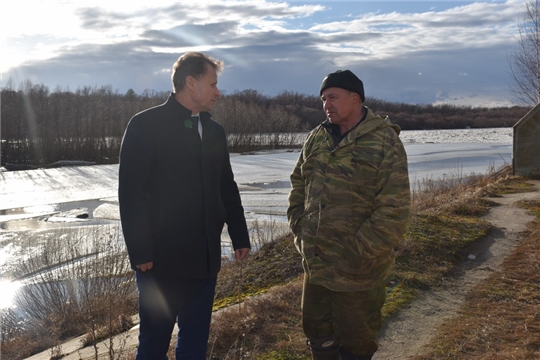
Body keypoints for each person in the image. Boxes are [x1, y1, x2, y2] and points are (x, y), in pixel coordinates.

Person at [118, 52, 251, 360]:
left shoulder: (215, 131)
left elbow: (226, 187)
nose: (218, 92)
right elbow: (132, 192)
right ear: (191, 83)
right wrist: (141, 252)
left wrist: (240, 235)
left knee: (194, 345)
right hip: (160, 263)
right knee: (153, 345)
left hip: (205, 259)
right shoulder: (145, 125)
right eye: (212, 84)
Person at [287, 70, 410, 360]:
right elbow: (298, 185)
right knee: (317, 331)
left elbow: (394, 209)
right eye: (323, 99)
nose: (326, 104)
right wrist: (300, 229)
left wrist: (356, 254)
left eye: (333, 97)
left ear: (355, 98)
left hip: (359, 271)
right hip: (316, 268)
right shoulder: (316, 139)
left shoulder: (384, 142)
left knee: (356, 340)